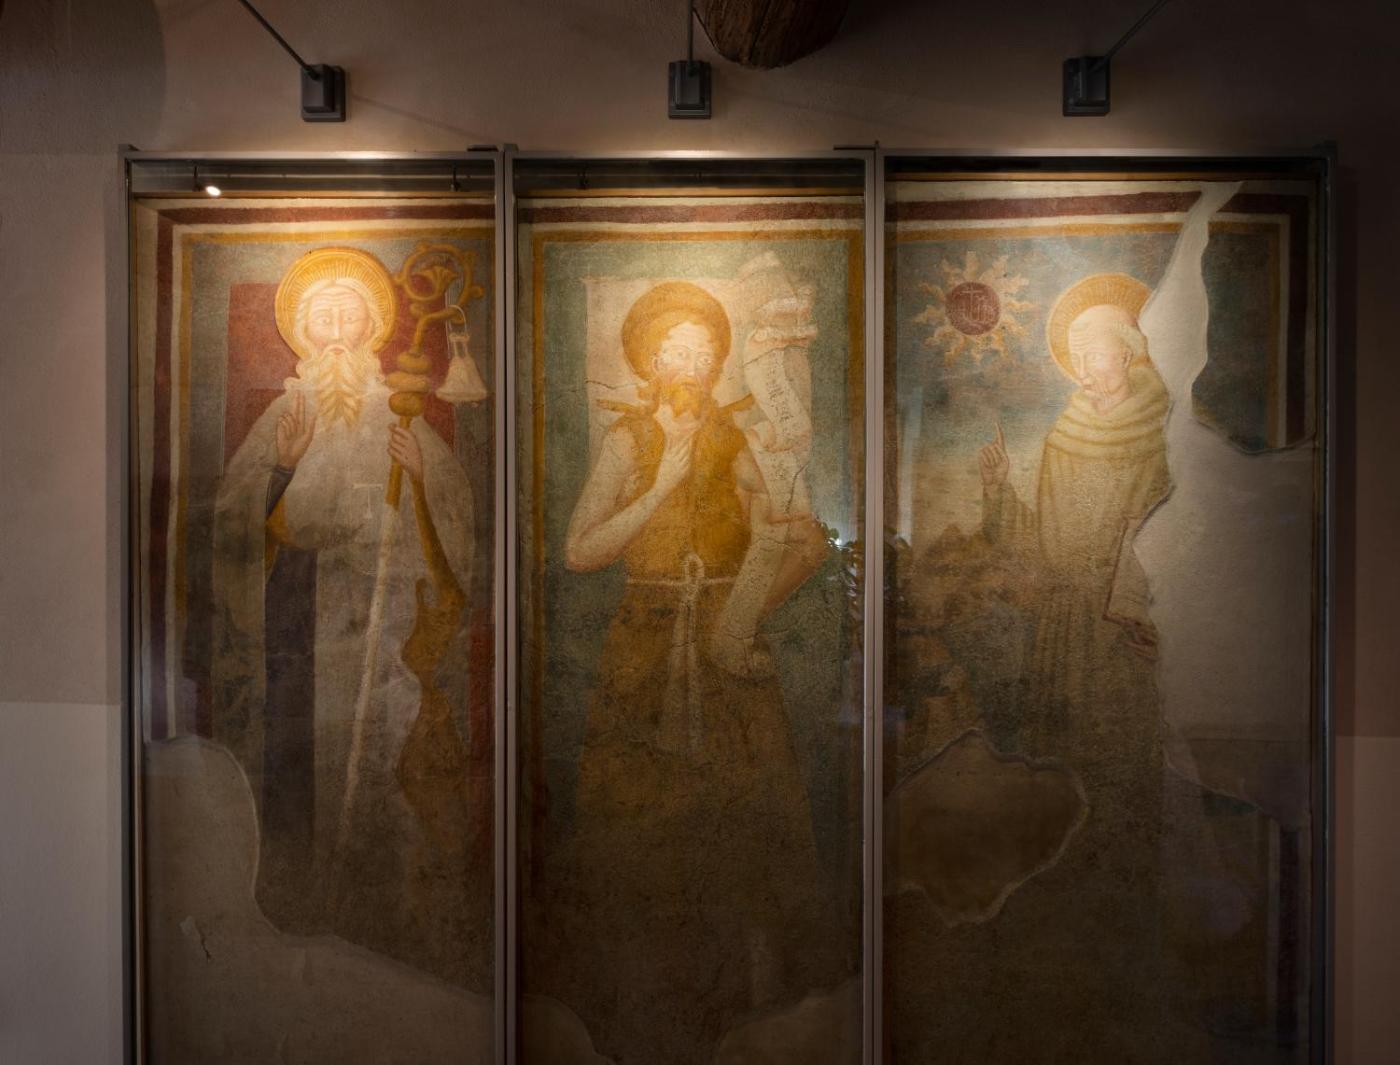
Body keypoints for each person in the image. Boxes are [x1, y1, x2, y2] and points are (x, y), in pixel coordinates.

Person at [545, 280, 846, 1063]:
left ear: (717, 366)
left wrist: (740, 617)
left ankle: (752, 1009)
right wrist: (663, 480)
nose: (690, 363)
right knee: (635, 823)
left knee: (745, 820)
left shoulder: (746, 440)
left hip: (724, 657)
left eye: (704, 352)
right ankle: (635, 1005)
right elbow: (580, 551)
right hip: (642, 654)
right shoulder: (627, 440)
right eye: (674, 351)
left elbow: (805, 542)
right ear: (648, 363)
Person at [209, 247, 479, 982]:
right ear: (302, 331)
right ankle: (297, 906)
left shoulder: (398, 411)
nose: (333, 329)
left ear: (370, 330)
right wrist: (282, 466)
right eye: (320, 317)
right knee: (298, 762)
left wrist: (419, 477)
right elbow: (233, 521)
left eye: (347, 315)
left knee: (385, 756)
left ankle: (379, 909)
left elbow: (454, 518)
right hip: (297, 619)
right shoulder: (285, 412)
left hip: (383, 623)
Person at [972, 272, 1174, 1057]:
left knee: (1120, 763)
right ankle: (1057, 927)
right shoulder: (1062, 435)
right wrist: (999, 494)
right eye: (1080, 356)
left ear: (1130, 352)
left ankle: (1123, 926)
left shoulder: (1161, 432)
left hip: (1120, 627)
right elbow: (1037, 546)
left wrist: (1137, 605)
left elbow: (1173, 532)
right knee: (1060, 767)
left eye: (1102, 353)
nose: (1091, 368)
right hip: (1062, 630)